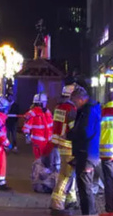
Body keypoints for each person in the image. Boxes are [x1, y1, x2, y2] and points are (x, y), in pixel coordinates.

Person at [68, 86, 101, 216]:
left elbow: (85, 131)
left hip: (86, 154)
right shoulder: (87, 110)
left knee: (85, 187)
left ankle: (90, 213)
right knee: (83, 187)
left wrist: (71, 134)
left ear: (81, 99)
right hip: (85, 153)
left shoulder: (88, 111)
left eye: (75, 102)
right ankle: (87, 212)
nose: (74, 105)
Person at [50, 84, 79, 214]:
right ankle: (57, 203)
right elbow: (74, 129)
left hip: (61, 145)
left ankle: (70, 199)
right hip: (69, 145)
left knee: (68, 173)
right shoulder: (72, 109)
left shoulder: (59, 107)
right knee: (66, 175)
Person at [23, 93, 54, 159]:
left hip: (48, 141)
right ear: (41, 103)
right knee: (40, 161)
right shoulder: (32, 113)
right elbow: (26, 127)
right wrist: (27, 136)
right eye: (45, 102)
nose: (46, 103)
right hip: (38, 142)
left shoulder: (47, 112)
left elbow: (51, 125)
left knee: (47, 161)